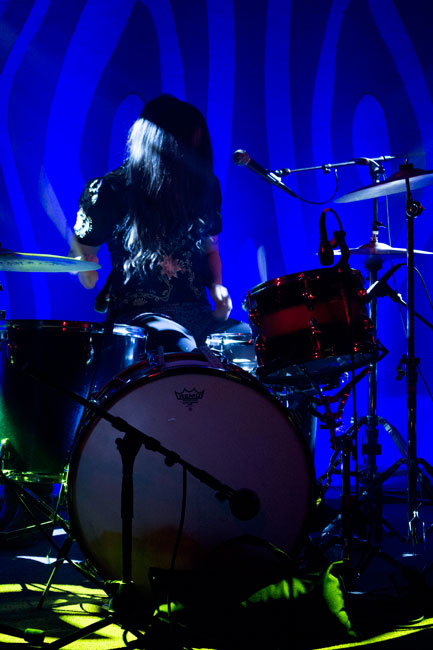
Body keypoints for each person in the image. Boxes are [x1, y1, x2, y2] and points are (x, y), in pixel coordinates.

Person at [70, 94, 239, 352]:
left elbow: (210, 246)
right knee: (181, 346)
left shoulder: (205, 186)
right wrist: (86, 269)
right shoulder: (109, 189)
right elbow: (80, 252)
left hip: (198, 313)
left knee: (248, 344)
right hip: (138, 320)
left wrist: (217, 286)